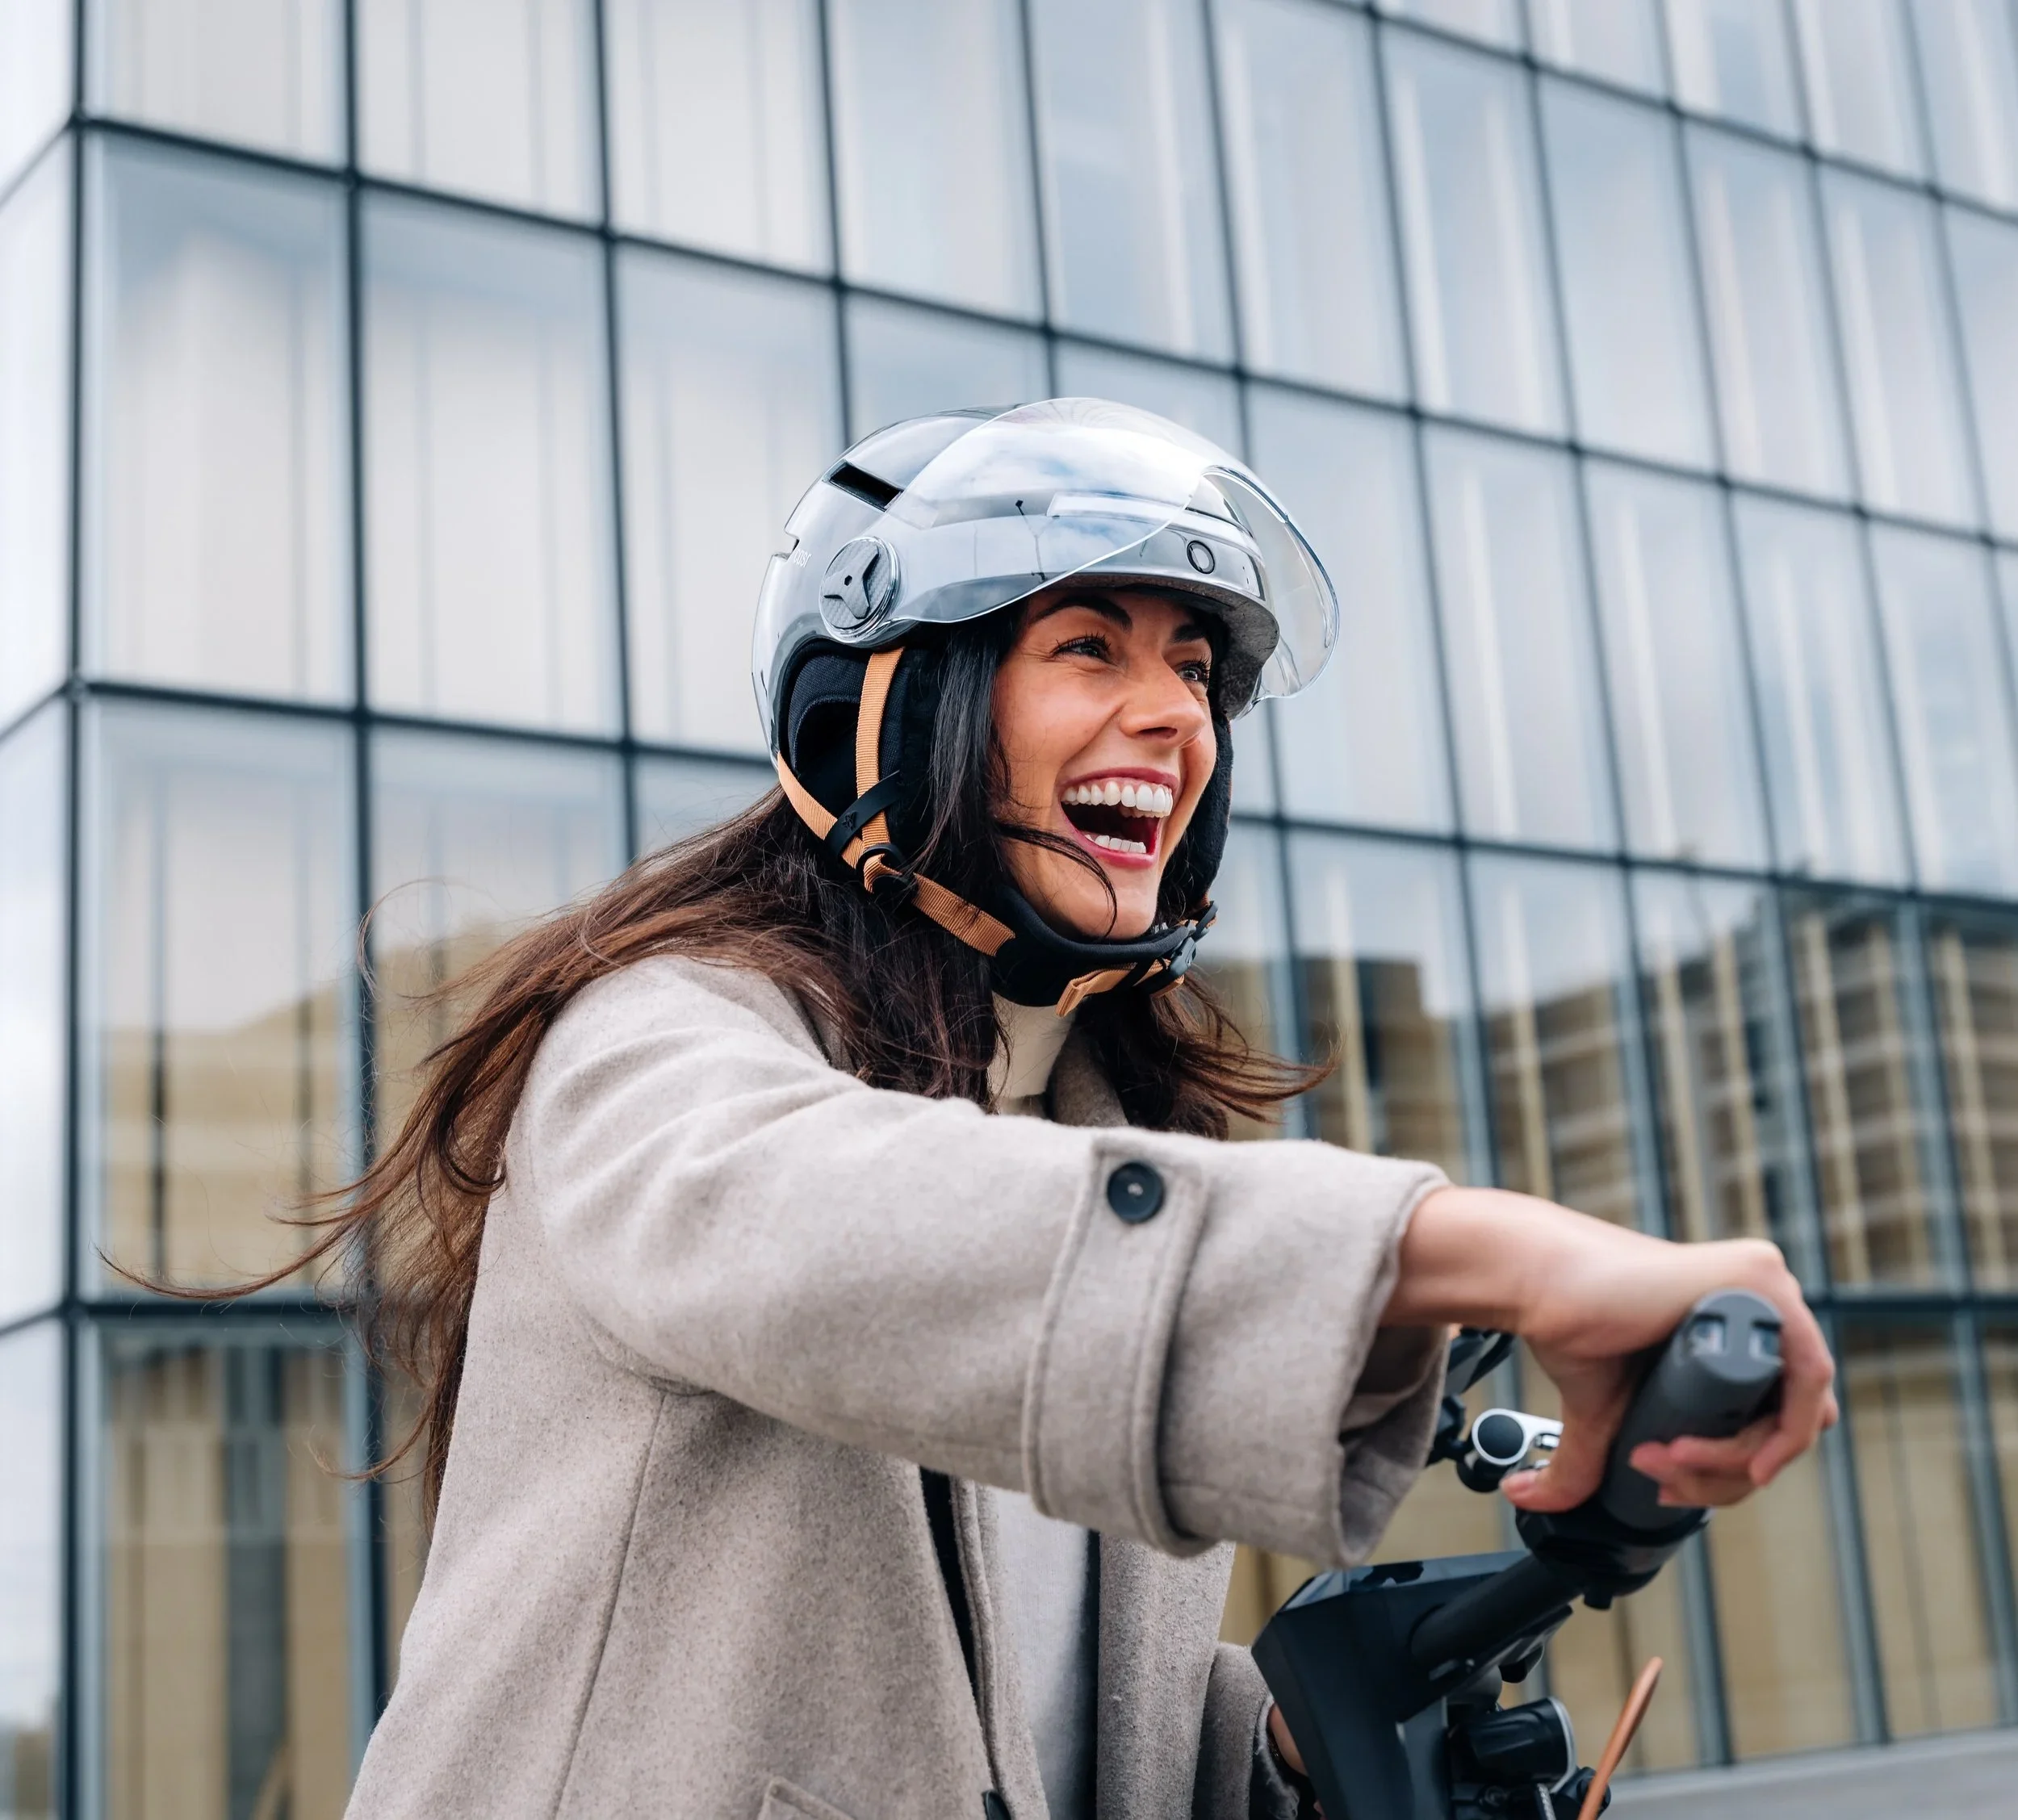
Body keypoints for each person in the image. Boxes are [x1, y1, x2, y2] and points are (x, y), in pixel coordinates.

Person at [333, 401, 1834, 1820]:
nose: (1174, 714)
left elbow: (1036, 1730)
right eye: (1088, 645)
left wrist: (1302, 1747)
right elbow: (836, 1231)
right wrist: (1482, 1251)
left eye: (1195, 669)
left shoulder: (1103, 1152)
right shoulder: (658, 1038)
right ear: (894, 706)